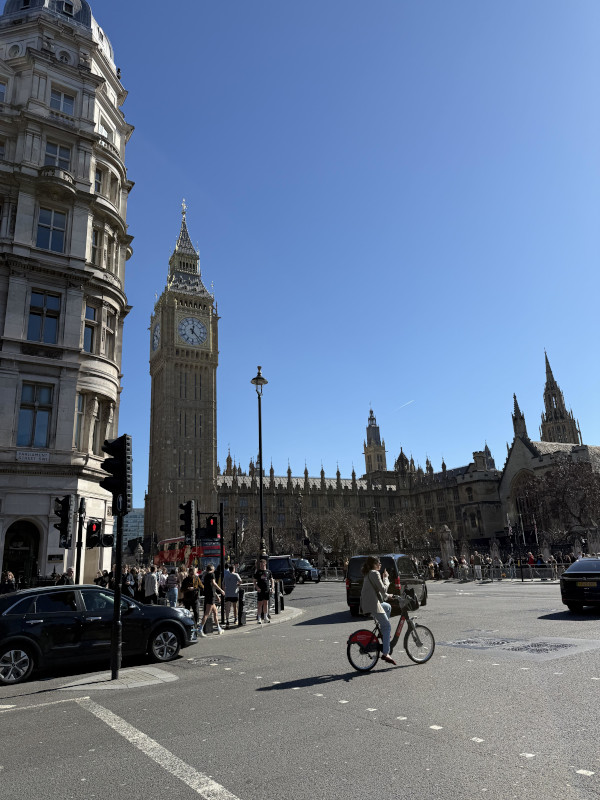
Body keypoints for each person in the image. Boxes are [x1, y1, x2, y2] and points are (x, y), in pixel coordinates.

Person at [359, 555, 396, 665]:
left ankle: (382, 632)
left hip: (369, 602)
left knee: (387, 607)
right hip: (372, 604)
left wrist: (387, 595)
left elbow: (382, 594)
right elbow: (383, 589)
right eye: (378, 563)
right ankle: (386, 653)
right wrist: (386, 578)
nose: (380, 564)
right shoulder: (374, 573)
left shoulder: (368, 573)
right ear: (373, 565)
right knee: (387, 626)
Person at [198, 564, 224, 637]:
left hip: (209, 595)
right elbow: (214, 584)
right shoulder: (212, 574)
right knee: (207, 613)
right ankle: (200, 629)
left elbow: (210, 587)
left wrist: (216, 596)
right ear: (212, 569)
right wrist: (221, 590)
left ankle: (219, 629)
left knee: (215, 612)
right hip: (210, 597)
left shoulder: (205, 575)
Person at [253, 557, 274, 624]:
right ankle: (259, 617)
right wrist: (257, 587)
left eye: (262, 564)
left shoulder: (268, 572)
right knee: (260, 604)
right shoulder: (258, 572)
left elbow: (272, 580)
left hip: (266, 589)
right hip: (260, 590)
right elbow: (254, 582)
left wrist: (272, 587)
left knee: (266, 603)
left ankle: (265, 617)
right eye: (260, 564)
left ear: (265, 564)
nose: (261, 566)